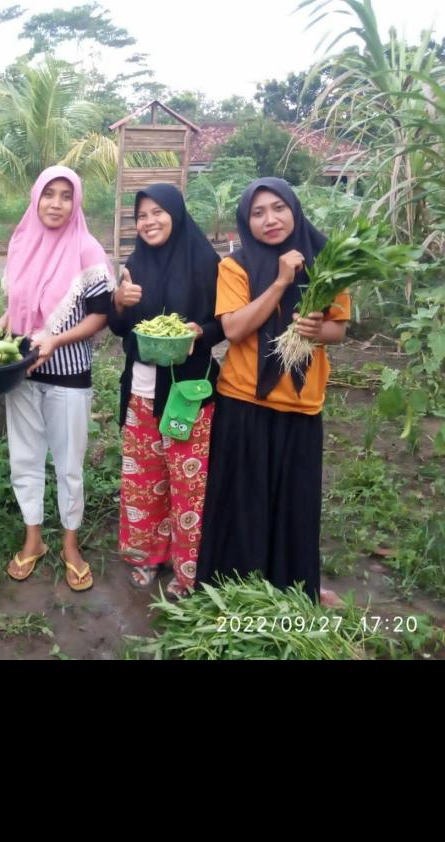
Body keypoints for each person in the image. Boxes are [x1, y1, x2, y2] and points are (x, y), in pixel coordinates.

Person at [196, 177, 350, 603]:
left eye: (278, 208)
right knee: (242, 504)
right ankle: (237, 592)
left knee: (294, 504)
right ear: (246, 221)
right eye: (258, 213)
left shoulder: (328, 262)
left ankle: (295, 588)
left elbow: (338, 329)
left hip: (302, 403)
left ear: (294, 210)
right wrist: (280, 282)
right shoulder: (236, 266)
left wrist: (318, 330)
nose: (270, 220)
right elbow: (233, 328)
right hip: (244, 400)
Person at [1, 166, 115, 591]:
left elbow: (100, 316)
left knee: (69, 465)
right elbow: (18, 300)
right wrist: (5, 321)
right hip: (21, 369)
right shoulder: (20, 241)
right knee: (24, 458)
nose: (56, 204)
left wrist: (55, 339)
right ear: (36, 197)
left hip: (68, 374)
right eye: (49, 194)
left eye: (66, 195)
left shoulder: (87, 248)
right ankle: (33, 539)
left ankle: (69, 544)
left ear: (76, 201)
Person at [108, 184, 223, 598]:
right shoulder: (135, 264)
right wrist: (119, 302)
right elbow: (120, 328)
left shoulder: (205, 262)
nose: (149, 221)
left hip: (186, 394)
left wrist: (200, 332)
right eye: (141, 215)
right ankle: (146, 557)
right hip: (140, 392)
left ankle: (186, 569)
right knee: (143, 479)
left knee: (187, 483)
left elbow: (226, 322)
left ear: (175, 213)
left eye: (157, 212)